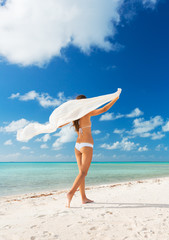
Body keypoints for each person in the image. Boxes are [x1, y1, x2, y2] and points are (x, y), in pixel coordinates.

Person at [58, 94, 120, 207]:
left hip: (77, 146)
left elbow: (59, 125)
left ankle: (83, 198)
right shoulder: (87, 112)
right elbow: (104, 109)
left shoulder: (74, 116)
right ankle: (71, 193)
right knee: (83, 173)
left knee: (81, 174)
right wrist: (114, 99)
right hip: (86, 145)